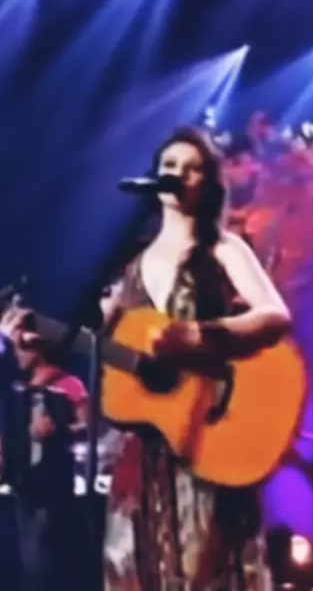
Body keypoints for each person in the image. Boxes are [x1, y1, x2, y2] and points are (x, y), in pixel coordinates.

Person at [102, 126, 292, 590]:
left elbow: (275, 316)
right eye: (170, 166)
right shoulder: (132, 264)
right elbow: (114, 357)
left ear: (209, 184)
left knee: (205, 569)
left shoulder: (222, 248)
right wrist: (50, 344)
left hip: (208, 434)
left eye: (192, 168)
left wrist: (198, 334)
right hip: (144, 450)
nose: (178, 175)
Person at [0, 306, 88, 591]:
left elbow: (92, 429)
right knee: (32, 567)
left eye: (21, 347)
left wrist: (58, 427)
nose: (17, 353)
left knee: (48, 564)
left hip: (55, 489)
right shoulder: (18, 392)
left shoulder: (67, 384)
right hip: (24, 490)